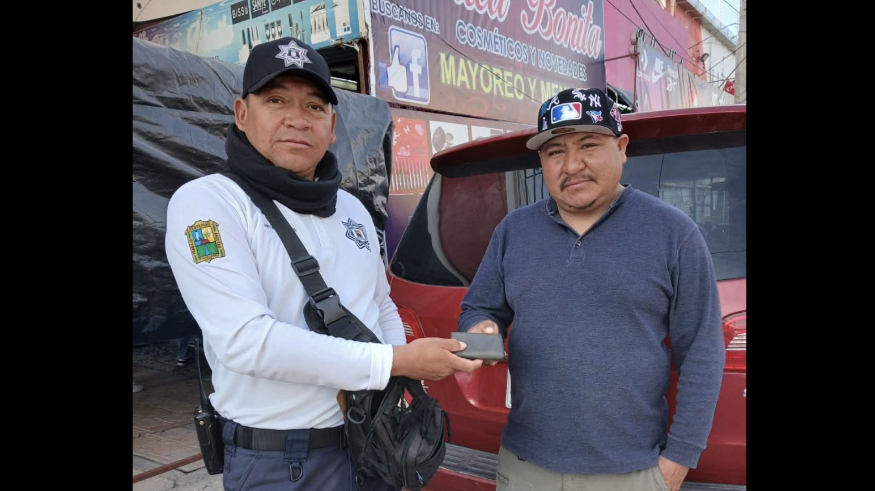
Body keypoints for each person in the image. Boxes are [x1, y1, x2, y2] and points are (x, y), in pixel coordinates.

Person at [165, 36, 482, 491]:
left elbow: (380, 304)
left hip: (373, 440)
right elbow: (246, 341)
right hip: (280, 461)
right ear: (241, 113)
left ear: (333, 126)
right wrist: (394, 360)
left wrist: (401, 380)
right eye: (276, 100)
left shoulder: (351, 207)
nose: (297, 119)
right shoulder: (208, 204)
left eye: (315, 107)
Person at [457, 87, 725, 491]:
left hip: (633, 471)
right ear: (541, 161)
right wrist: (481, 327)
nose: (572, 164)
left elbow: (703, 352)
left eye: (588, 145)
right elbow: (479, 307)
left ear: (621, 147)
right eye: (555, 152)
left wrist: (678, 461)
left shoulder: (673, 233)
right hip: (525, 464)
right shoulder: (514, 231)